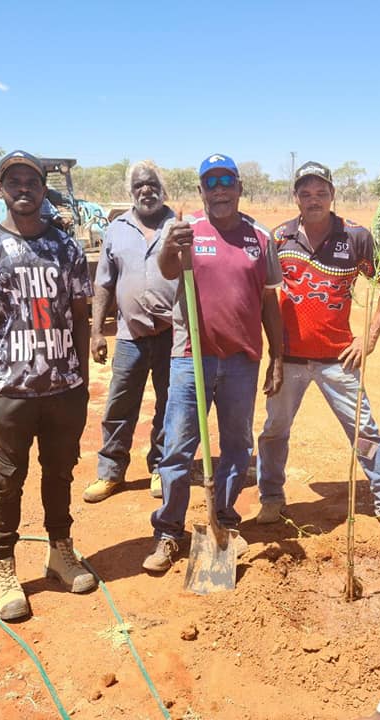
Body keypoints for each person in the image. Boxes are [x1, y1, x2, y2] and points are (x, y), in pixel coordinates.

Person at [0, 150, 96, 620]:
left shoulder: (68, 248)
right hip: (11, 391)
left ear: (43, 189)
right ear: (1, 189)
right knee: (6, 478)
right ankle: (3, 563)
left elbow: (81, 318)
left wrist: (80, 380)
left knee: (60, 473)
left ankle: (60, 551)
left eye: (31, 181)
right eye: (13, 181)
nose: (23, 188)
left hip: (63, 389)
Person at [142, 153, 284, 573]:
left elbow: (268, 299)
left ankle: (223, 518)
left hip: (242, 360)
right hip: (192, 358)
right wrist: (172, 245)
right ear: (201, 190)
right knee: (177, 447)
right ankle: (169, 532)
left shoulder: (260, 236)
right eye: (211, 182)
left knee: (237, 446)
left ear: (240, 187)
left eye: (227, 181)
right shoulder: (185, 231)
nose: (219, 189)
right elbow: (169, 271)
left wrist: (277, 354)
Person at [255, 161, 380, 538]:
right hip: (288, 359)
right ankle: (271, 497)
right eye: (305, 194)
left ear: (333, 195)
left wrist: (369, 338)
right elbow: (264, 296)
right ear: (296, 198)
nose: (313, 200)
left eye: (321, 193)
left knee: (364, 430)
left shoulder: (355, 237)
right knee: (274, 430)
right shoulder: (279, 238)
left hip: (339, 358)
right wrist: (273, 355)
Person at [83, 161, 177, 503]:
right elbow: (104, 283)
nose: (146, 191)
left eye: (151, 184)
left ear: (162, 188)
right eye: (139, 186)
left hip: (172, 334)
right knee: (119, 405)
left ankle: (160, 468)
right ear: (130, 192)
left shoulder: (178, 225)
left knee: (170, 405)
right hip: (129, 336)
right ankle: (110, 473)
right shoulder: (116, 229)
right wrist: (96, 331)